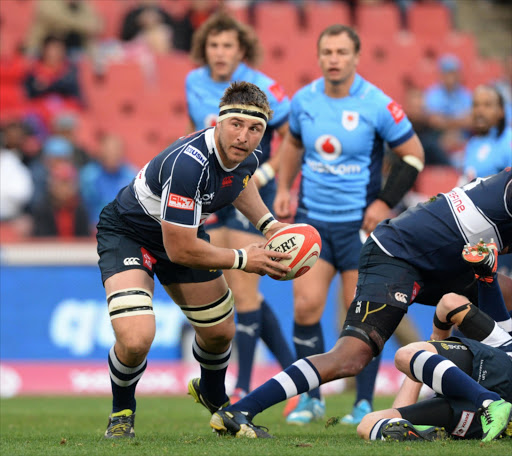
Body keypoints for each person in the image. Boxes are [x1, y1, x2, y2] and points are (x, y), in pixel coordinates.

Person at [209, 168, 512, 439]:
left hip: (443, 261)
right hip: (396, 255)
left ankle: (476, 396)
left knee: (499, 294)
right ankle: (240, 411)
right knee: (350, 356)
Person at [97, 81, 292, 438]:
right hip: (130, 234)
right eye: (236, 125)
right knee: (137, 337)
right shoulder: (189, 164)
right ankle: (121, 411)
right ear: (218, 122)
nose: (245, 136)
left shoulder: (249, 152)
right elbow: (180, 250)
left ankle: (216, 402)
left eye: (255, 129)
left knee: (220, 333)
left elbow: (240, 181)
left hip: (179, 232)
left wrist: (270, 225)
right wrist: (242, 258)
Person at [272, 24, 424, 425]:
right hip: (313, 223)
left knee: (361, 314)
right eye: (327, 52)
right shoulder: (304, 100)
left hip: (360, 226)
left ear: (356, 56)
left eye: (341, 52)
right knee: (305, 307)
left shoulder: (377, 104)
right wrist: (285, 187)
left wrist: (383, 202)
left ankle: (362, 402)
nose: (333, 59)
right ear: (319, 57)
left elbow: (413, 156)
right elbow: (292, 144)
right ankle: (310, 399)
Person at [186, 12, 295, 403]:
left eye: (227, 45)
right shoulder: (193, 82)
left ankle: (245, 387)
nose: (219, 52)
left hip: (247, 187)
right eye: (213, 45)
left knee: (245, 293)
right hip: (214, 188)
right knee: (244, 291)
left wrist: (265, 176)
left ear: (242, 50)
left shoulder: (264, 88)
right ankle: (300, 378)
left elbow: (290, 139)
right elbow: (198, 134)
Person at [358, 254, 512, 442]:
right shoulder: (497, 335)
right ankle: (426, 434)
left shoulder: (501, 342)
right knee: (368, 424)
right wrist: (427, 358)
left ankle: (489, 403)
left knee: (404, 355)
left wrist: (436, 339)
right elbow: (451, 303)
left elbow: (449, 302)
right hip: (474, 416)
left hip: (488, 389)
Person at [80, 133, 136, 227]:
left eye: (116, 150)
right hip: (93, 229)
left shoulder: (132, 176)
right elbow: (85, 206)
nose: (112, 154)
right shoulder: (88, 175)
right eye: (108, 150)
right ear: (100, 151)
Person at [462, 85, 512, 182]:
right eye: (475, 105)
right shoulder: (472, 143)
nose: (479, 111)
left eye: (487, 105)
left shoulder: (508, 141)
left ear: (501, 110)